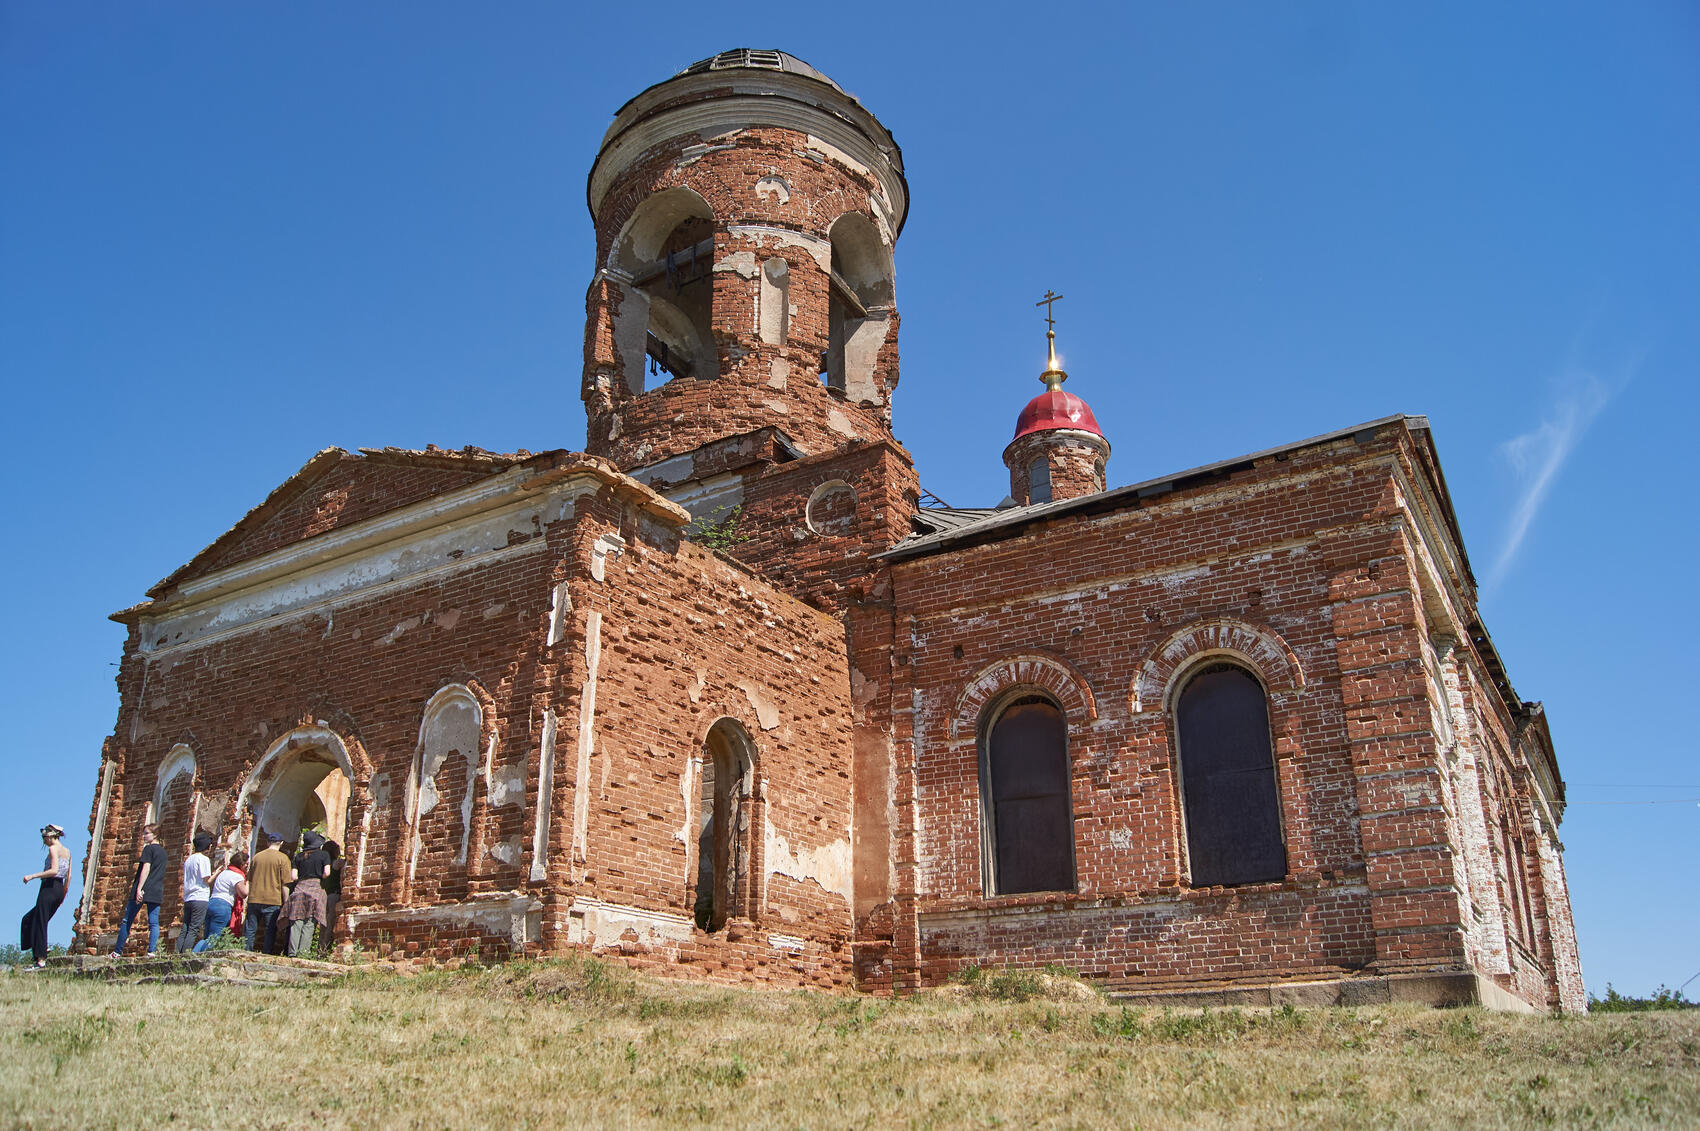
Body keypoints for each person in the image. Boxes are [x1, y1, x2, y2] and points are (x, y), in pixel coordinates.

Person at [111, 823, 168, 958]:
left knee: (127, 920)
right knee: (153, 923)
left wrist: (139, 888)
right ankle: (152, 951)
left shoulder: (148, 849)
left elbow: (146, 869)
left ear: (155, 834)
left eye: (147, 833)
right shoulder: (163, 852)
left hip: (145, 888)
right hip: (157, 889)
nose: (144, 836)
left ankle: (117, 952)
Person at [20, 823, 72, 969]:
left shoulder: (53, 848)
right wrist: (63, 895)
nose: (44, 840)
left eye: (44, 837)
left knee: (39, 921)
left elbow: (54, 870)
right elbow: (69, 876)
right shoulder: (67, 851)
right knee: (30, 919)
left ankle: (41, 958)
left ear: (51, 836)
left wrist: (32, 876)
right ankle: (40, 946)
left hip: (49, 887)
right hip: (59, 889)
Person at [281, 831, 331, 958]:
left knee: (296, 921)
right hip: (315, 888)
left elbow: (294, 876)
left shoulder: (299, 856)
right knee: (309, 923)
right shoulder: (323, 855)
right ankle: (303, 953)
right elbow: (327, 873)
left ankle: (292, 953)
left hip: (299, 889)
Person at [245, 831, 291, 953]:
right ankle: (266, 953)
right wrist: (286, 901)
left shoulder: (257, 857)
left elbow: (249, 879)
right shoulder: (283, 858)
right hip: (273, 899)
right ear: (281, 843)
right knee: (270, 930)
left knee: (250, 929)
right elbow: (285, 883)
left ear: (267, 843)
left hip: (254, 897)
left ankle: (246, 951)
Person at [192, 851, 247, 953]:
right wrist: (249, 882)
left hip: (211, 902)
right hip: (223, 905)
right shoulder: (237, 876)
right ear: (243, 864)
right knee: (214, 937)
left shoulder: (224, 872)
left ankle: (193, 955)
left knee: (207, 936)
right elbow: (244, 893)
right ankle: (203, 960)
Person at [176, 832, 214, 953]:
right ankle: (185, 954)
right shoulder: (203, 859)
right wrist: (218, 872)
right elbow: (207, 880)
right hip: (200, 897)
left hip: (189, 897)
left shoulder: (189, 860)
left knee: (185, 927)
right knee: (194, 928)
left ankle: (177, 952)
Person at [317, 840, 344, 956]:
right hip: (334, 895)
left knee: (323, 925)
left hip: (324, 895)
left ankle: (319, 949)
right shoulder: (335, 863)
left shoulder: (323, 864)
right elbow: (348, 862)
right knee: (329, 923)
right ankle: (324, 951)